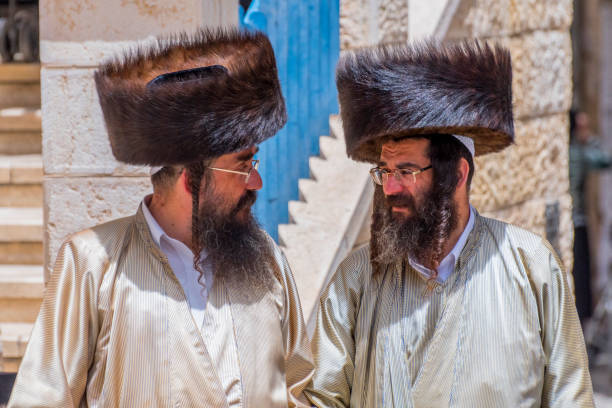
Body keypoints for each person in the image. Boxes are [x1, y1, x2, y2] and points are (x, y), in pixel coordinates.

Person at [9, 28, 314, 407]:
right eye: (242, 165)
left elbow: (302, 390)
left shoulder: (267, 259)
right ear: (191, 179)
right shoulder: (92, 263)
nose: (256, 181)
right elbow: (40, 399)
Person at [304, 40, 594, 407]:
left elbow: (571, 397)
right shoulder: (354, 282)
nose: (390, 187)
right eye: (384, 171)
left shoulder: (532, 267)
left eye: (406, 171)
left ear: (457, 174)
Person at [569, 110, 612, 324]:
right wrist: (588, 138)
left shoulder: (565, 152)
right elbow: (605, 160)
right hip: (576, 222)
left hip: (570, 221)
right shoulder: (578, 152)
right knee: (581, 278)